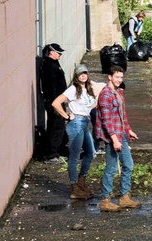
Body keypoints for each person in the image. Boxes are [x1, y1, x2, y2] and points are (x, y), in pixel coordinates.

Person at [95, 66, 142, 212]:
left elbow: (122, 115)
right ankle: (105, 200)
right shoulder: (106, 95)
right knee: (111, 168)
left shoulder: (118, 92)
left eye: (121, 77)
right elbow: (106, 121)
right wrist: (115, 140)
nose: (119, 80)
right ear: (109, 77)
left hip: (121, 133)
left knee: (128, 165)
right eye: (117, 77)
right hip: (111, 136)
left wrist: (128, 130)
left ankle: (124, 198)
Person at [51, 64, 99, 199]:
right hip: (76, 123)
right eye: (80, 74)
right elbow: (56, 103)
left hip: (85, 123)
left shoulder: (88, 89)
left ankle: (81, 181)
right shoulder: (73, 89)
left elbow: (91, 105)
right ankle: (74, 188)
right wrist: (67, 116)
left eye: (85, 73)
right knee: (74, 157)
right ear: (76, 76)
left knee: (90, 153)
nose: (83, 75)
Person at [39, 43, 68, 162]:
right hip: (55, 101)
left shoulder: (53, 63)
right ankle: (51, 154)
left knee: (58, 126)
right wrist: (55, 102)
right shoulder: (49, 65)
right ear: (51, 52)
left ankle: (56, 150)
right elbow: (50, 86)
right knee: (55, 126)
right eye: (58, 53)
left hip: (58, 100)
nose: (60, 55)